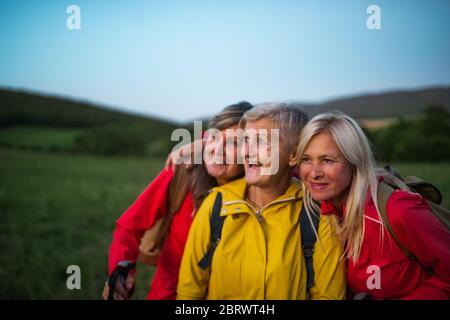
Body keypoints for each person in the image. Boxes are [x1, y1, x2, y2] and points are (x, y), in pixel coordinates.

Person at [177, 104, 346, 300]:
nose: (247, 152)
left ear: (293, 155)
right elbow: (188, 294)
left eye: (261, 142)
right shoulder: (216, 203)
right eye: (245, 141)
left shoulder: (317, 214)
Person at [103, 101, 253, 300]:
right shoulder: (184, 171)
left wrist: (199, 143)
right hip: (168, 293)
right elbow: (129, 226)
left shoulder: (261, 189)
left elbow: (295, 157)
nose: (218, 150)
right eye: (213, 137)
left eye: (234, 143)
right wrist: (121, 272)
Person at [297, 112, 450, 300]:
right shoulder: (316, 212)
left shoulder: (397, 210)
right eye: (306, 159)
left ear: (354, 163)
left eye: (327, 160)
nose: (314, 172)